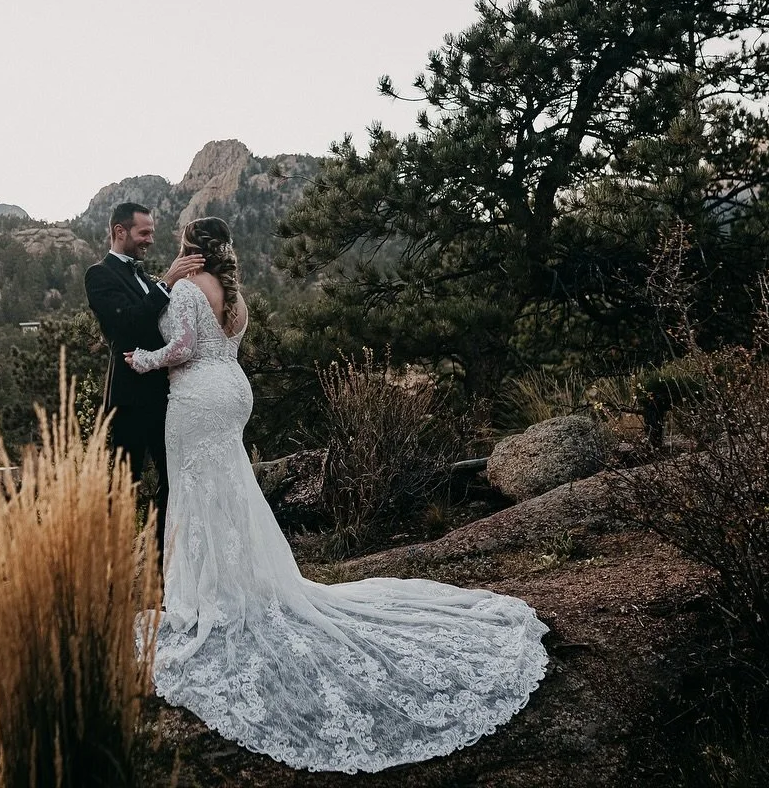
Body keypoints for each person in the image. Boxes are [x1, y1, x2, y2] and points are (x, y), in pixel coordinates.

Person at [127, 217, 548, 774]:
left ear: (191, 247)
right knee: (231, 490)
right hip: (232, 393)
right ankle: (235, 584)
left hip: (197, 397)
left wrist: (144, 359)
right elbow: (219, 345)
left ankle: (213, 594)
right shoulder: (235, 294)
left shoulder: (185, 287)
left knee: (201, 493)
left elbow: (181, 347)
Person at [84, 202, 203, 561]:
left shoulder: (142, 277)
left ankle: (163, 564)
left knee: (172, 479)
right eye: (144, 232)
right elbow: (127, 324)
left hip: (165, 395)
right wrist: (166, 282)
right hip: (129, 399)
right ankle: (113, 568)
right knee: (124, 484)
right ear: (120, 231)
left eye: (152, 232)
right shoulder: (99, 275)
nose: (150, 239)